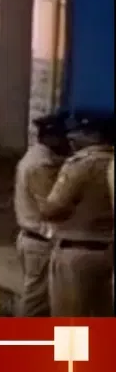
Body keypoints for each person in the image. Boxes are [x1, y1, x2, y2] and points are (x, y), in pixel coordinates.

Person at [41, 113, 115, 317]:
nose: (72, 138)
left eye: (79, 133)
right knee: (102, 316)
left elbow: (52, 209)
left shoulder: (80, 165)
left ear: (93, 136)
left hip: (76, 251)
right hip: (107, 251)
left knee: (70, 321)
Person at [13, 112, 69, 317]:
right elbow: (50, 207)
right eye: (63, 137)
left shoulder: (36, 156)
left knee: (38, 300)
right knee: (36, 303)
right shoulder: (42, 165)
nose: (67, 142)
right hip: (40, 241)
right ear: (52, 137)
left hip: (33, 238)